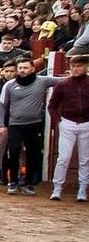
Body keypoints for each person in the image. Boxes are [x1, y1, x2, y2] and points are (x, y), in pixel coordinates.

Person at [0, 58, 53, 195]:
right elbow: (1, 106)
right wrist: (1, 124)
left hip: (34, 124)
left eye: (25, 68)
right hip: (15, 124)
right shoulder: (9, 85)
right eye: (20, 68)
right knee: (13, 152)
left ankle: (28, 184)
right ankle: (13, 182)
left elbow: (63, 80)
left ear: (33, 69)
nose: (22, 70)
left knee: (33, 154)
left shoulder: (42, 81)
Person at [49, 54, 89, 201]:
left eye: (79, 66)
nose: (76, 69)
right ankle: (57, 189)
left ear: (86, 67)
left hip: (86, 123)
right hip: (68, 122)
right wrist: (57, 121)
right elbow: (52, 105)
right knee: (63, 158)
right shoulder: (63, 85)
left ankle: (82, 190)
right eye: (73, 66)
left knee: (84, 159)